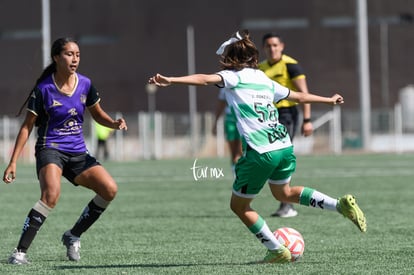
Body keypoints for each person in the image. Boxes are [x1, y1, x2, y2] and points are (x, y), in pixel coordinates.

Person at [149, 29, 366, 264]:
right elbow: (298, 97)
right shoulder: (264, 79)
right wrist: (329, 100)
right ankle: (340, 205)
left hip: (260, 151)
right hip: (283, 145)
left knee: (239, 206)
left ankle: (276, 249)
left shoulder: (234, 76)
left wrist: (172, 80)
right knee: (283, 193)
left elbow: (204, 79)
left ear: (230, 60)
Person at [3, 37, 128, 264]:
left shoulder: (86, 84)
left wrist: (113, 123)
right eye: (69, 54)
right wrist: (12, 162)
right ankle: (20, 252)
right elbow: (27, 126)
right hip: (50, 147)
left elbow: (98, 114)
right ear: (56, 58)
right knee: (51, 195)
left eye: (78, 54)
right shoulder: (44, 89)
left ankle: (73, 235)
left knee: (109, 189)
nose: (75, 59)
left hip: (77, 152)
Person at [258, 33, 313, 218]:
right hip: (267, 118)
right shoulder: (260, 68)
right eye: (268, 46)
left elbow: (303, 93)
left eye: (275, 45)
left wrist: (307, 120)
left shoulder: (291, 65)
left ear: (281, 46)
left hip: (287, 115)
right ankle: (285, 202)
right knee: (270, 158)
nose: (272, 49)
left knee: (280, 157)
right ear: (264, 48)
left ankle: (287, 205)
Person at [212, 88, 242, 175]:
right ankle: (235, 174)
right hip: (230, 120)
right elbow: (220, 105)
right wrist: (215, 123)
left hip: (242, 120)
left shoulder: (245, 82)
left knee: (240, 151)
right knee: (233, 154)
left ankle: (241, 176)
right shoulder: (225, 87)